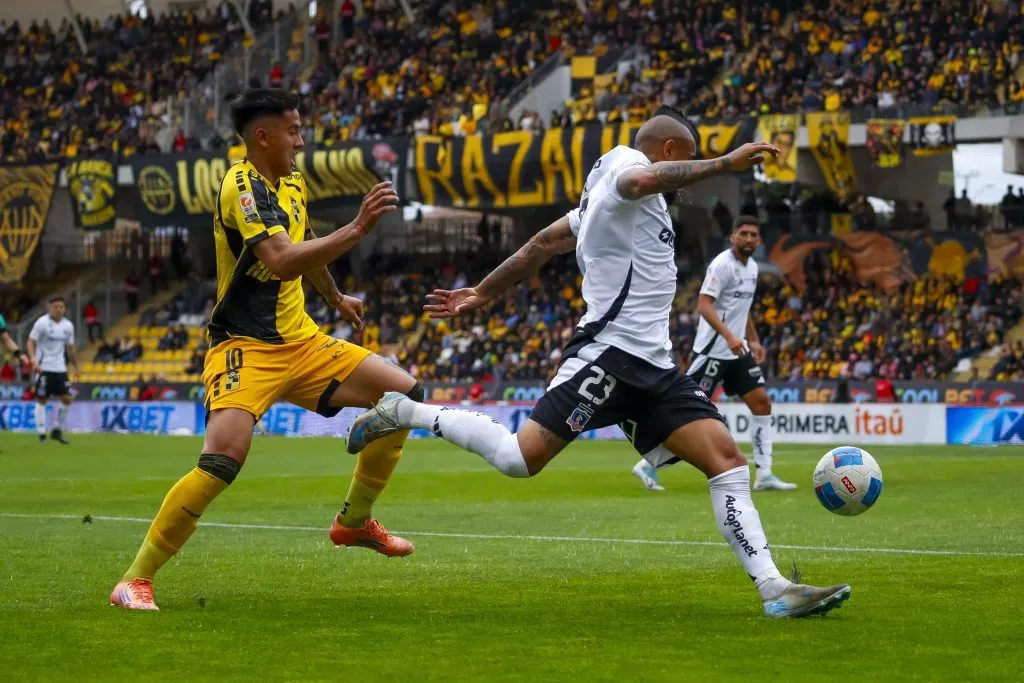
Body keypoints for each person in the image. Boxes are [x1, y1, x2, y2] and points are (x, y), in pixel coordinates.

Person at [348, 108, 851, 618]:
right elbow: (642, 178)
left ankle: (774, 589)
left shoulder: (602, 201)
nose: (688, 171)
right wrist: (723, 163)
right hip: (609, 354)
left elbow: (543, 243)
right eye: (689, 157)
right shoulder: (625, 168)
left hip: (655, 366)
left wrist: (482, 291)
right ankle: (405, 412)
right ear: (672, 150)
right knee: (520, 461)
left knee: (727, 463)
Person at [110, 89, 421, 612]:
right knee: (222, 461)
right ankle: (134, 580)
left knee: (404, 394)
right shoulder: (241, 186)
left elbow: (303, 242)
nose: (301, 141)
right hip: (244, 346)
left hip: (301, 341)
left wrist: (336, 297)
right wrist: (359, 227)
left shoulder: (292, 183)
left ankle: (352, 523)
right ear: (264, 136)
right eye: (294, 131)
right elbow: (280, 259)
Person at [633, 216, 797, 493]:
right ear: (733, 237)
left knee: (762, 403)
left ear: (759, 240)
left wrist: (753, 341)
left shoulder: (753, 268)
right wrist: (731, 336)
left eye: (753, 235)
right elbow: (704, 305)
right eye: (743, 233)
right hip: (712, 353)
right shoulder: (722, 265)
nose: (748, 239)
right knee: (686, 416)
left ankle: (765, 474)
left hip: (736, 352)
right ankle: (649, 463)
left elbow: (741, 311)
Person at [26, 297, 78, 444]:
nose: (58, 309)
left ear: (64, 308)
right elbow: (31, 342)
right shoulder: (42, 323)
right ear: (50, 308)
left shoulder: (68, 326)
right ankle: (42, 433)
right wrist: (33, 360)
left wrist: (76, 365)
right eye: (55, 307)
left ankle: (56, 429)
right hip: (44, 367)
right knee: (42, 399)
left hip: (60, 367)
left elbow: (70, 347)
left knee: (67, 398)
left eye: (61, 307)